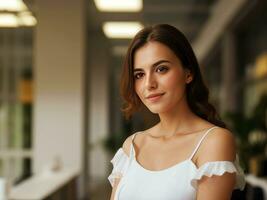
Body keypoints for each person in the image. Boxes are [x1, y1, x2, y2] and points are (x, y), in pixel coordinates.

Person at [108, 24, 245, 200]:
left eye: (161, 69)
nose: (149, 84)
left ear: (188, 73)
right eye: (139, 75)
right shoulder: (132, 146)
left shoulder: (213, 142)